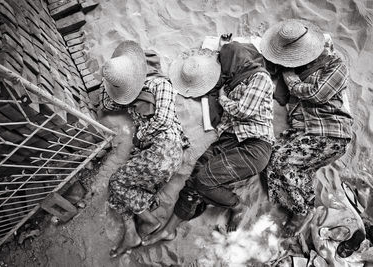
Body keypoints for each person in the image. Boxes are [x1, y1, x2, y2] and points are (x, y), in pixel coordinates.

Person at [142, 41, 275, 246]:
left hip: (255, 145)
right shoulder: (231, 84)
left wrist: (222, 98)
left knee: (203, 181)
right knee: (195, 178)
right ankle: (169, 230)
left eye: (223, 61)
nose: (221, 67)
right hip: (229, 140)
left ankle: (238, 206)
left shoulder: (260, 77)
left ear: (234, 60)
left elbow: (244, 111)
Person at [259, 19, 354, 234]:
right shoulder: (293, 68)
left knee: (282, 163)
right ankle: (306, 201)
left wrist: (292, 80)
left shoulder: (334, 64)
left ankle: (301, 210)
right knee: (271, 159)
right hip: (302, 133)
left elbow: (317, 95)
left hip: (329, 131)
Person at [101, 41, 188, 257]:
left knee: (116, 182)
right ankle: (131, 234)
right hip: (152, 153)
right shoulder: (131, 92)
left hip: (166, 147)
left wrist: (139, 136)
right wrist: (116, 85)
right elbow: (108, 104)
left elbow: (164, 121)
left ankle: (150, 220)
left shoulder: (161, 85)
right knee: (118, 190)